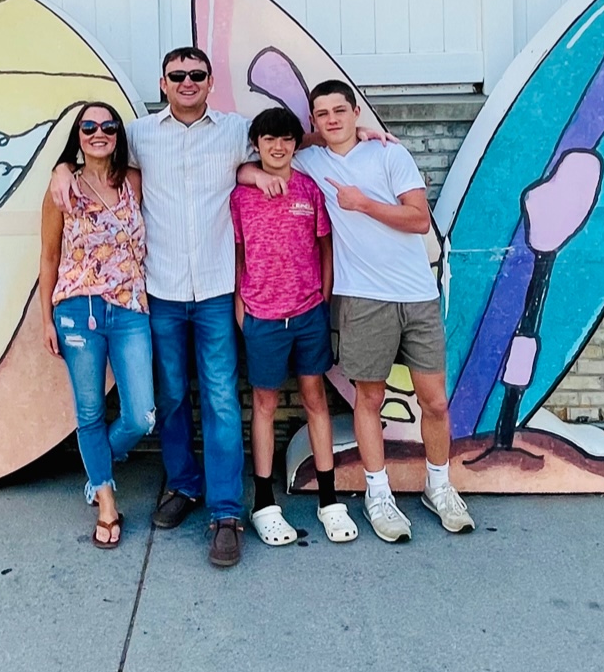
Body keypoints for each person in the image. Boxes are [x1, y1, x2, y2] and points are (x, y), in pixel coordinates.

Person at [51, 48, 251, 568]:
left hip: (213, 288)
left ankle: (226, 512)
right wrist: (59, 166)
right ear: (162, 82)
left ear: (212, 81)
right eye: (178, 75)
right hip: (157, 291)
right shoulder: (139, 133)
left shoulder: (235, 131)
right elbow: (93, 149)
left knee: (222, 399)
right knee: (170, 399)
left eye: (197, 75)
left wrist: (354, 136)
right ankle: (183, 486)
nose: (188, 82)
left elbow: (288, 145)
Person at [282, 80, 474, 542]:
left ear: (355, 112)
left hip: (416, 296)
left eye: (340, 111)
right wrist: (317, 138)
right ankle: (378, 494)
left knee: (436, 401)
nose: (332, 119)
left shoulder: (390, 155)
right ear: (313, 121)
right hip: (362, 299)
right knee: (367, 400)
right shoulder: (311, 159)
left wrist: (362, 204)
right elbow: (267, 151)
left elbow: (418, 219)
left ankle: (439, 486)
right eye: (321, 113)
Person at [232, 107, 357, 547]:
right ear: (257, 144)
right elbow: (239, 253)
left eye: (285, 139)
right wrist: (239, 299)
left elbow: (325, 246)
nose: (278, 147)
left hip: (308, 315)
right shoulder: (240, 196)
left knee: (315, 398)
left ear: (294, 143)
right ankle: (264, 501)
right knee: (263, 403)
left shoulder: (309, 189)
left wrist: (322, 298)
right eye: (268, 139)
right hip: (263, 315)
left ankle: (328, 498)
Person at [38, 102, 156, 550]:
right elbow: (49, 256)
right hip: (75, 311)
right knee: (88, 411)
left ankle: (98, 465)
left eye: (107, 126)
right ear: (78, 135)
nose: (98, 132)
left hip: (129, 309)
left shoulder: (133, 182)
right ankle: (106, 501)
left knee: (141, 414)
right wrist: (46, 318)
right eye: (88, 127)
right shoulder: (59, 192)